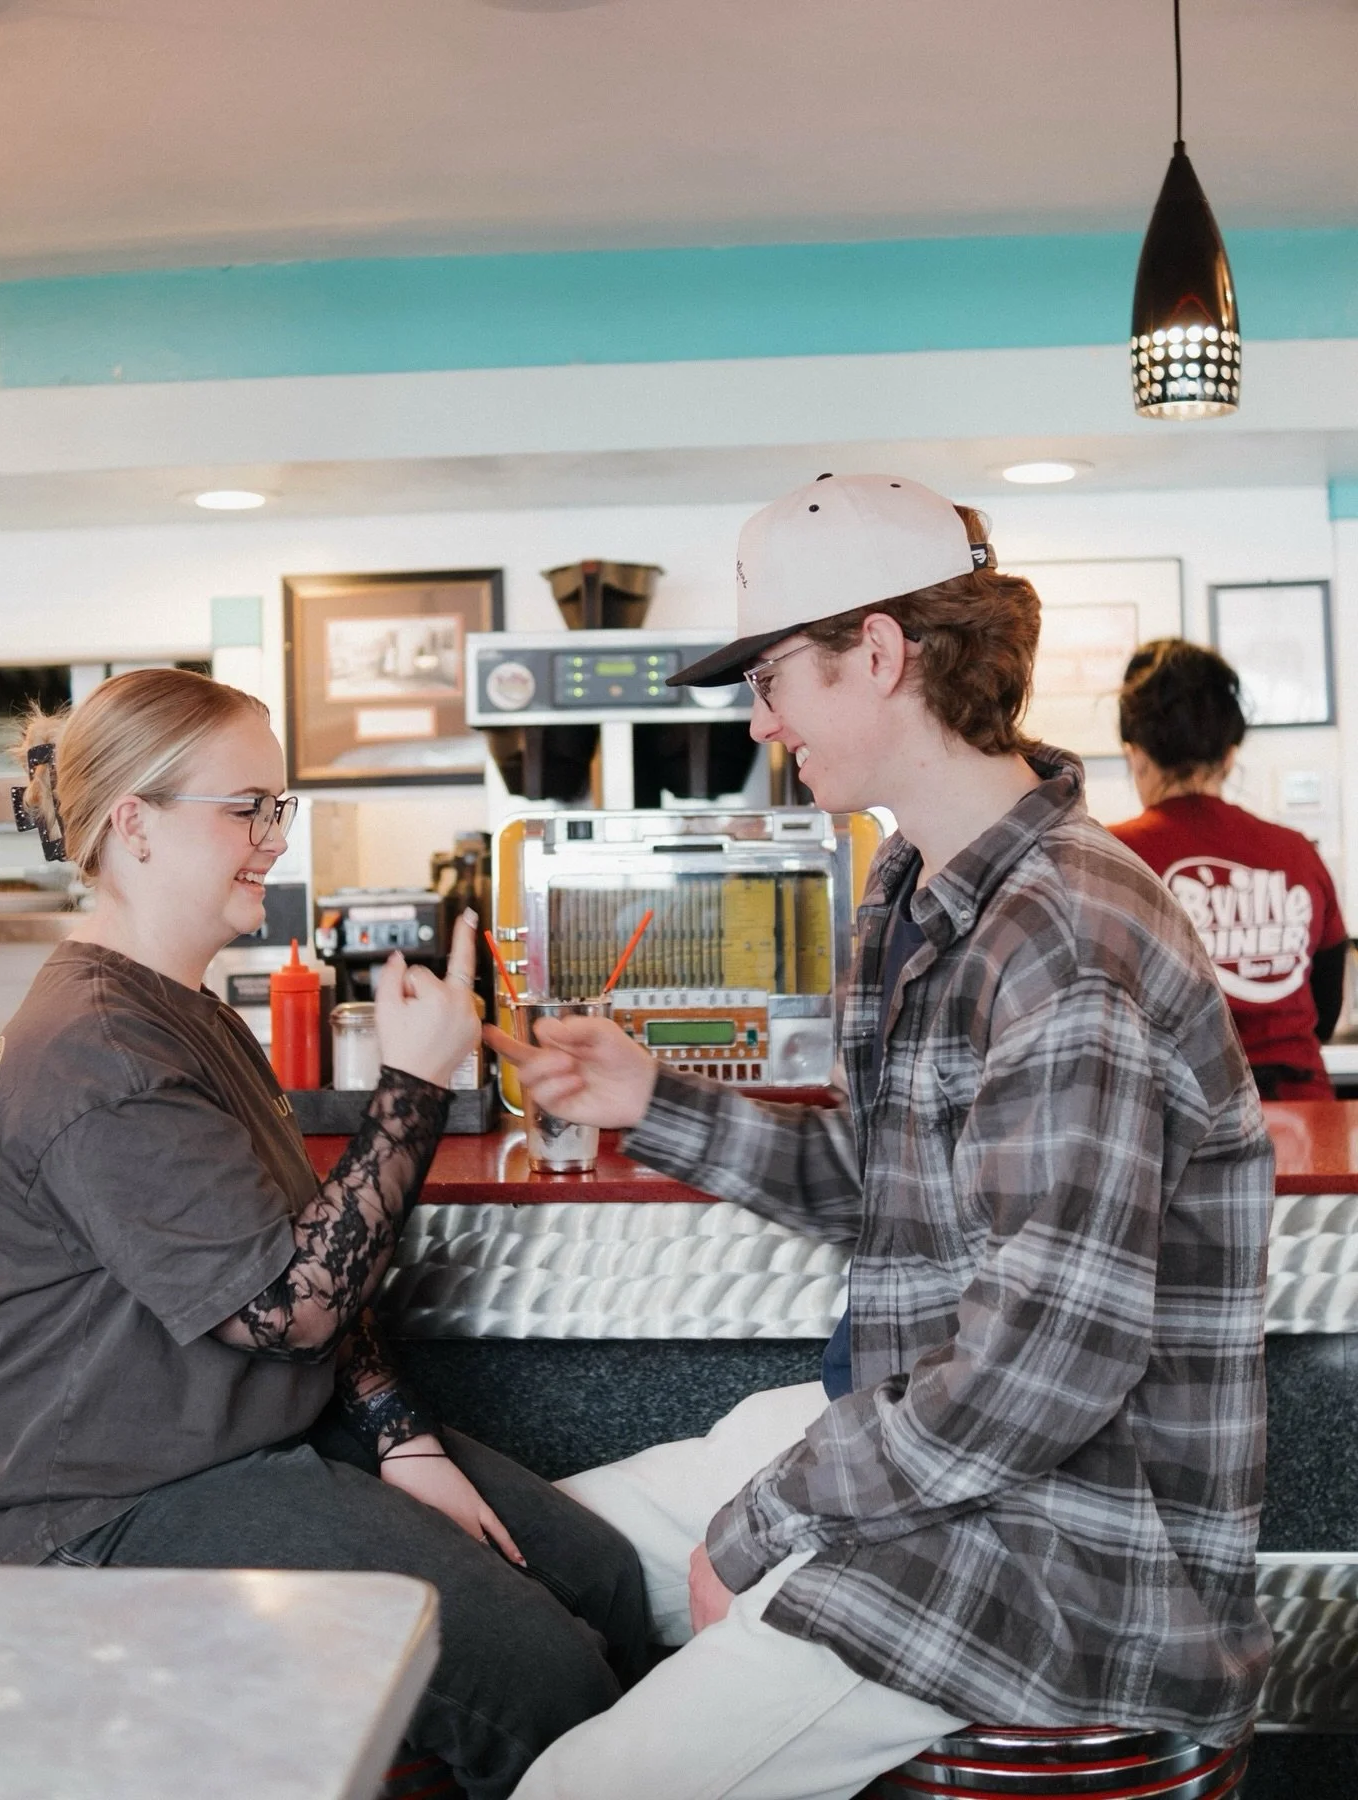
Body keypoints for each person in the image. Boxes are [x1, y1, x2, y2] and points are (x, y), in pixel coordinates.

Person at [487, 475, 1274, 1800]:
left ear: (881, 653)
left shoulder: (1065, 940)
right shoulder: (916, 890)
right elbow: (891, 1191)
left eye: (776, 674)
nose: (761, 716)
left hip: (1063, 1560)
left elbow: (1041, 1376)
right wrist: (650, 1101)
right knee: (538, 1561)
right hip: (950, 1468)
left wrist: (767, 1522)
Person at [0, 669, 645, 1800]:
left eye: (278, 806)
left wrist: (401, 1437)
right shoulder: (100, 1047)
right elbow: (288, 1309)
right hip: (88, 1514)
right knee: (542, 1679)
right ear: (135, 824)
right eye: (244, 807)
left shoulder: (188, 1007)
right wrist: (412, 1086)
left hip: (222, 1450)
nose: (271, 837)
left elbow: (299, 1250)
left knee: (598, 1578)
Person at [1110, 637, 1349, 1101]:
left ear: (1135, 753)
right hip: (1304, 1113)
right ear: (1229, 755)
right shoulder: (1297, 853)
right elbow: (1326, 1002)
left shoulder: (1110, 855)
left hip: (1182, 1123)